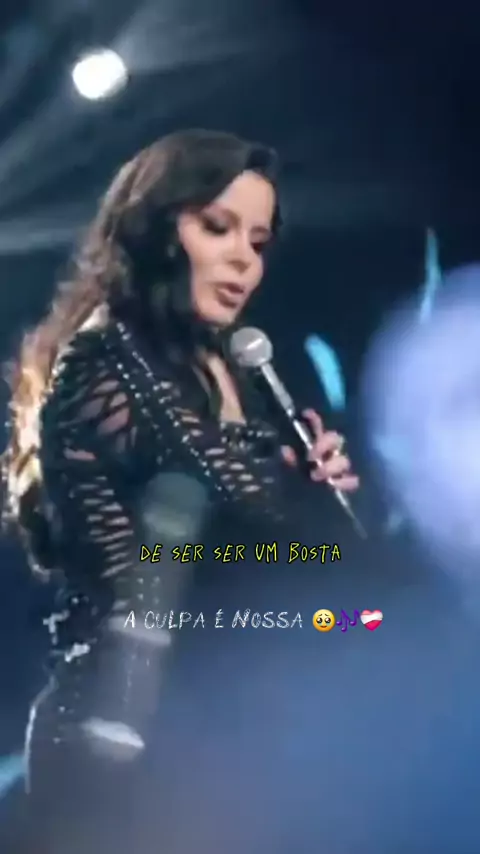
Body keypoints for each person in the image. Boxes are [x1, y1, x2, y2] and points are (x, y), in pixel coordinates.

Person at [1, 129, 359, 852]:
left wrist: (311, 488)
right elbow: (214, 562)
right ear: (154, 228)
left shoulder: (226, 364)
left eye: (258, 241)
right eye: (217, 227)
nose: (243, 260)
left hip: (225, 732)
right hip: (127, 747)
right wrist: (314, 539)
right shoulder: (104, 367)